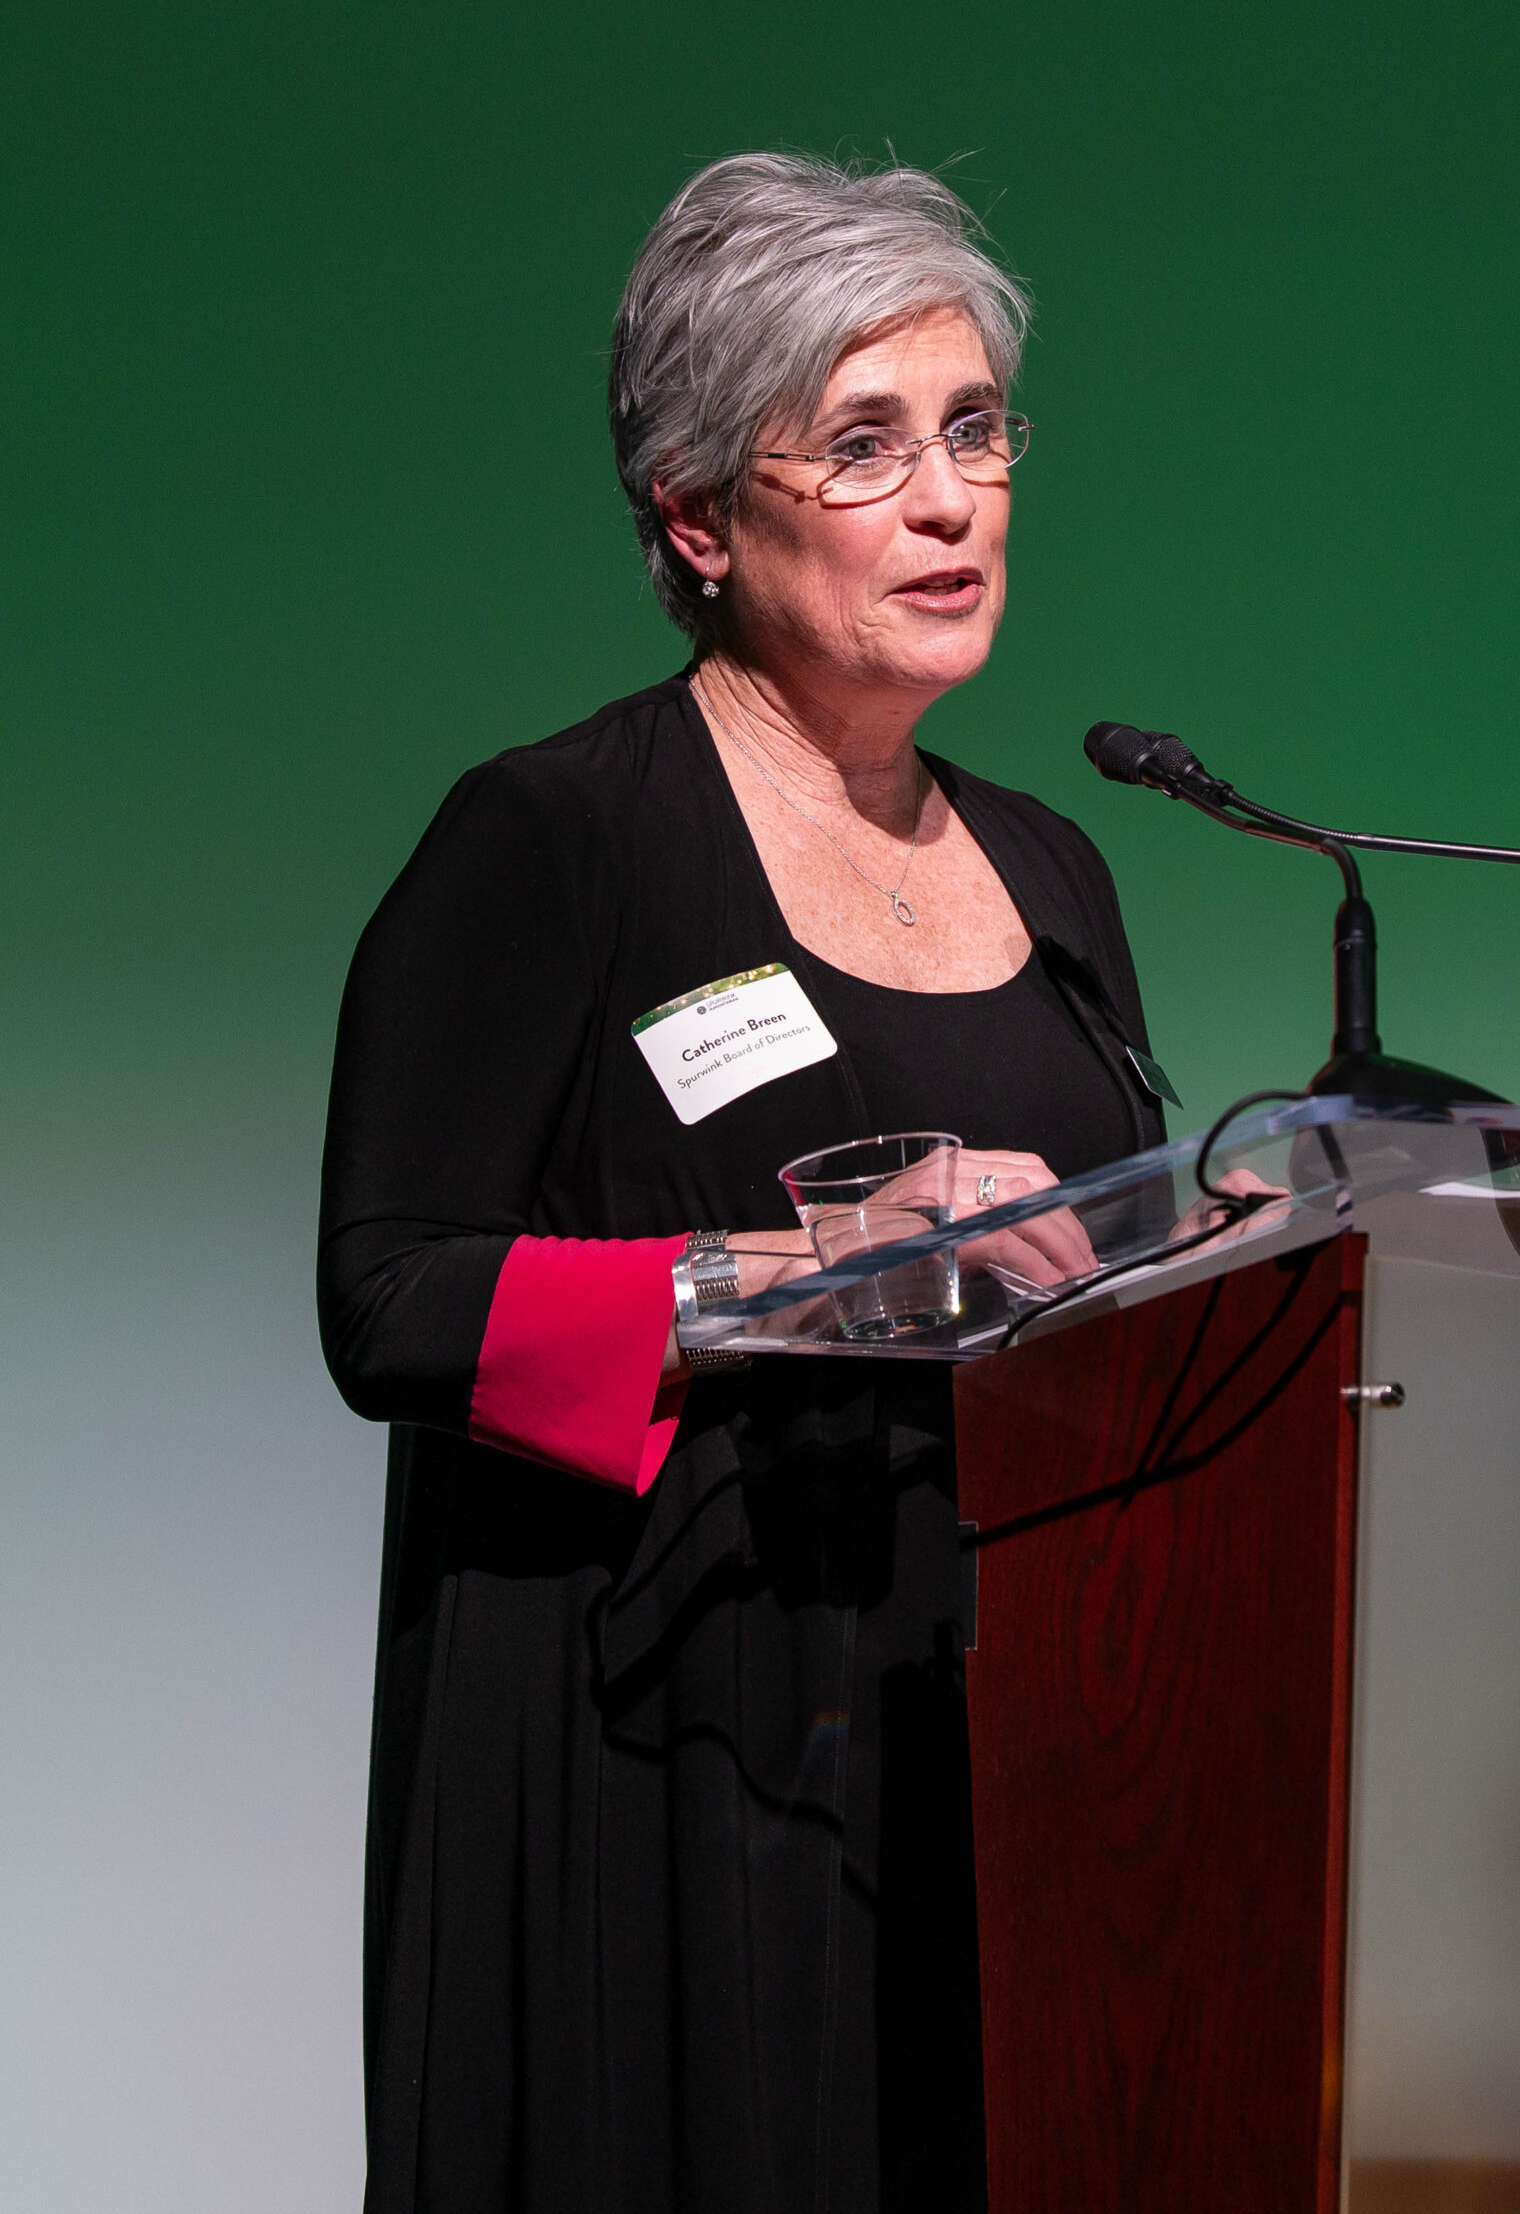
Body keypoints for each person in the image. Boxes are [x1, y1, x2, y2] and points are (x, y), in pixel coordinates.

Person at [318, 154, 1173, 2213]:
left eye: (973, 431)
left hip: (991, 1748)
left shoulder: (1056, 865)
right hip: (659, 1762)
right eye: (864, 447)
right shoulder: (556, 841)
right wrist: (786, 1272)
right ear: (699, 515)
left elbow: (1104, 1269)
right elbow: (388, 1294)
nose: (953, 500)